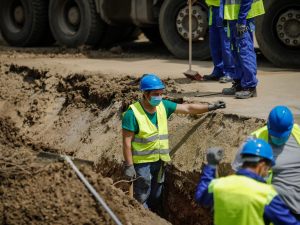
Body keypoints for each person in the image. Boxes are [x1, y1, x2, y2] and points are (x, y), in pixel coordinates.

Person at [122, 73, 226, 214]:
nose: (159, 97)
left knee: (157, 194)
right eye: (155, 94)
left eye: (160, 93)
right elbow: (127, 142)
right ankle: (141, 217)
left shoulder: (163, 106)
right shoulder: (132, 114)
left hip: (160, 160)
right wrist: (129, 165)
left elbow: (188, 109)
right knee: (142, 195)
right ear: (145, 94)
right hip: (142, 163)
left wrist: (210, 107)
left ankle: (153, 215)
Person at [195, 139, 300, 225]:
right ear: (261, 165)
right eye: (268, 167)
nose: (267, 171)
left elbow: (200, 196)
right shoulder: (266, 194)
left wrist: (211, 166)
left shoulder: (220, 185)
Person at [232, 105, 300, 219]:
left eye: (282, 135)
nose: (278, 138)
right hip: (270, 211)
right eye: (275, 135)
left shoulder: (298, 135)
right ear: (268, 126)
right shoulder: (255, 141)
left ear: (291, 127)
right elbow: (237, 175)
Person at [221, 0, 265, 98]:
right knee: (235, 50)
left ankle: (250, 86)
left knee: (244, 50)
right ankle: (239, 83)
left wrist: (241, 21)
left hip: (243, 17)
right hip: (233, 16)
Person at [201, 0, 235, 83]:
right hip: (213, 8)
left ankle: (230, 72)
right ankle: (218, 70)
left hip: (224, 7)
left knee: (225, 44)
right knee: (214, 43)